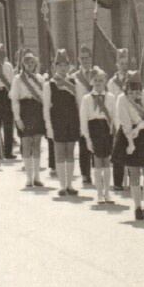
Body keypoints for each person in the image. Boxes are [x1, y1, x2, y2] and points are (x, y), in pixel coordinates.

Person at [113, 70, 144, 220]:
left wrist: (139, 128)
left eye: (138, 92)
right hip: (129, 136)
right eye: (132, 92)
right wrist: (130, 143)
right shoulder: (121, 99)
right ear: (126, 89)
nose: (135, 95)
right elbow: (125, 122)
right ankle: (137, 207)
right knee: (134, 173)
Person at [43, 49, 80, 196]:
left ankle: (70, 184)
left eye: (66, 65)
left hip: (71, 120)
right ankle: (62, 185)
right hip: (57, 121)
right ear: (54, 67)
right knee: (59, 153)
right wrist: (48, 126)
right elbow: (46, 107)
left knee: (70, 152)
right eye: (60, 65)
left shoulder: (74, 82)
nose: (63, 68)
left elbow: (78, 104)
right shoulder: (49, 85)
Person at [11, 50, 46, 188]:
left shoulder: (40, 79)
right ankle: (28, 177)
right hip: (24, 110)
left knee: (36, 144)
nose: (30, 65)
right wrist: (18, 118)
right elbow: (14, 99)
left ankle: (37, 176)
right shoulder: (18, 79)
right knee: (26, 144)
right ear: (23, 64)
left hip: (37, 110)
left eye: (32, 62)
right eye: (27, 62)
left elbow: (44, 97)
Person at [81, 66, 116, 203]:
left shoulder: (111, 97)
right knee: (97, 162)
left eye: (101, 80)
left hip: (106, 130)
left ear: (105, 81)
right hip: (94, 129)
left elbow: (114, 117)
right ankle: (99, 193)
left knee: (106, 162)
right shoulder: (86, 99)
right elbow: (84, 119)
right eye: (95, 80)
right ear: (91, 82)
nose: (98, 83)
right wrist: (87, 138)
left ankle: (107, 192)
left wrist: (116, 134)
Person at [108, 48, 130, 192]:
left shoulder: (133, 78)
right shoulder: (112, 83)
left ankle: (130, 180)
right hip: (118, 118)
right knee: (118, 150)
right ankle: (118, 181)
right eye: (121, 63)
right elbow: (112, 101)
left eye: (126, 63)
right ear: (117, 64)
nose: (124, 66)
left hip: (130, 116)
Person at [73, 44, 94, 187]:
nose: (85, 61)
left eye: (87, 58)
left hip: (96, 113)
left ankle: (98, 172)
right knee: (83, 145)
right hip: (81, 113)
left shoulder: (98, 74)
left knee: (97, 144)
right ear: (78, 59)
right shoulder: (74, 77)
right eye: (82, 58)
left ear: (91, 58)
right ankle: (85, 174)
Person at [0, 44, 16, 160]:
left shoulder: (9, 66)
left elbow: (11, 81)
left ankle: (8, 151)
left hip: (6, 94)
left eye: (1, 56)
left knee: (8, 124)